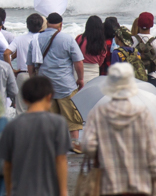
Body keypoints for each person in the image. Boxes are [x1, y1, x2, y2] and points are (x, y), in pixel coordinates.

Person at [83, 63, 156, 196]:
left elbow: (88, 146)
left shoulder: (98, 113)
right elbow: (152, 151)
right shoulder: (143, 114)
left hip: (108, 182)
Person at [0, 76, 71, 196]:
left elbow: (7, 164)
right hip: (49, 191)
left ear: (25, 100)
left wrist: (9, 192)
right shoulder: (58, 123)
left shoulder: (12, 125)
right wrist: (63, 192)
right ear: (49, 97)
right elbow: (61, 160)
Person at [27, 13, 84, 152]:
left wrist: (33, 80)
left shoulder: (35, 39)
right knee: (72, 118)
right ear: (61, 24)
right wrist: (81, 78)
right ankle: (75, 144)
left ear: (46, 24)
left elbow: (30, 65)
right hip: (66, 85)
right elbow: (78, 62)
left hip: (45, 86)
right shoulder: (67, 38)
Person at [5, 14, 44, 114]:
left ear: (27, 25)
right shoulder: (44, 38)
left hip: (23, 74)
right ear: (41, 25)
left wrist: (11, 69)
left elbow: (6, 53)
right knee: (39, 107)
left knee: (21, 109)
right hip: (40, 74)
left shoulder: (20, 39)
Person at [75, 15, 108, 84]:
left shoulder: (79, 38)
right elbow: (102, 58)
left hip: (78, 70)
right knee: (91, 91)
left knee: (78, 92)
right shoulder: (102, 42)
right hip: (94, 70)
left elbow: (74, 54)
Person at [132, 12, 156, 86]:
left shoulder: (131, 40)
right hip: (152, 77)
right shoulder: (154, 41)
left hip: (134, 77)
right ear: (151, 25)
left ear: (138, 24)